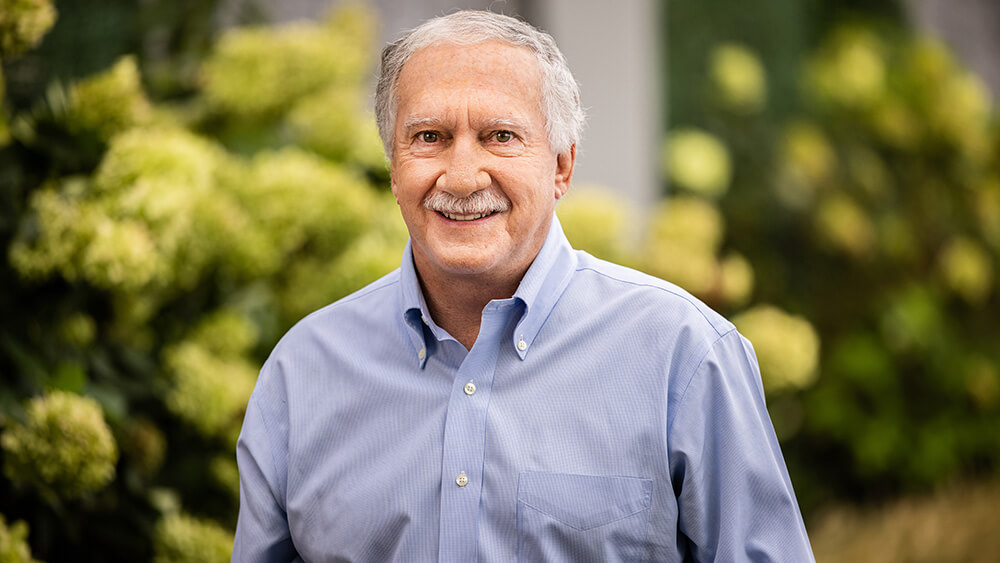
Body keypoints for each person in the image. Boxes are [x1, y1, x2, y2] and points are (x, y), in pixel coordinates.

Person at [233, 10, 814, 562]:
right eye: (430, 137)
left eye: (500, 136)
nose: (461, 177)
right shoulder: (302, 374)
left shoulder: (684, 356)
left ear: (561, 165)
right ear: (392, 165)